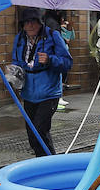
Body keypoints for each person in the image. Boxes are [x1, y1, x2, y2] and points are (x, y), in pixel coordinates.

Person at [11, 8, 72, 157]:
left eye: (34, 22)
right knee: (32, 135)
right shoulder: (19, 39)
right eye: (27, 22)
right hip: (29, 94)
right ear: (22, 25)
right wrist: (13, 76)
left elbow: (67, 62)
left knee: (40, 131)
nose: (30, 26)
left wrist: (50, 60)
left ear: (40, 23)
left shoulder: (53, 36)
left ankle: (50, 165)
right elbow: (16, 62)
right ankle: (42, 163)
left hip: (49, 93)